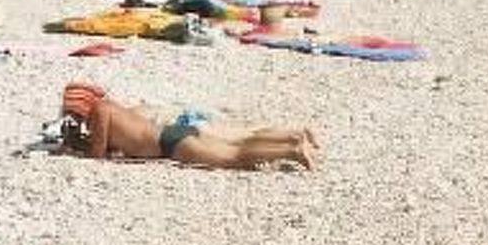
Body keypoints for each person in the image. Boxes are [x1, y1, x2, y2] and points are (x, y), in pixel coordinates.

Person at [57, 82, 318, 170]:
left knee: (235, 156)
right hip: (173, 133)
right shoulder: (111, 106)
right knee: (238, 142)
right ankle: (290, 139)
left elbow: (98, 154)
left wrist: (76, 146)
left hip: (170, 144)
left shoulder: (100, 112)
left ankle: (291, 151)